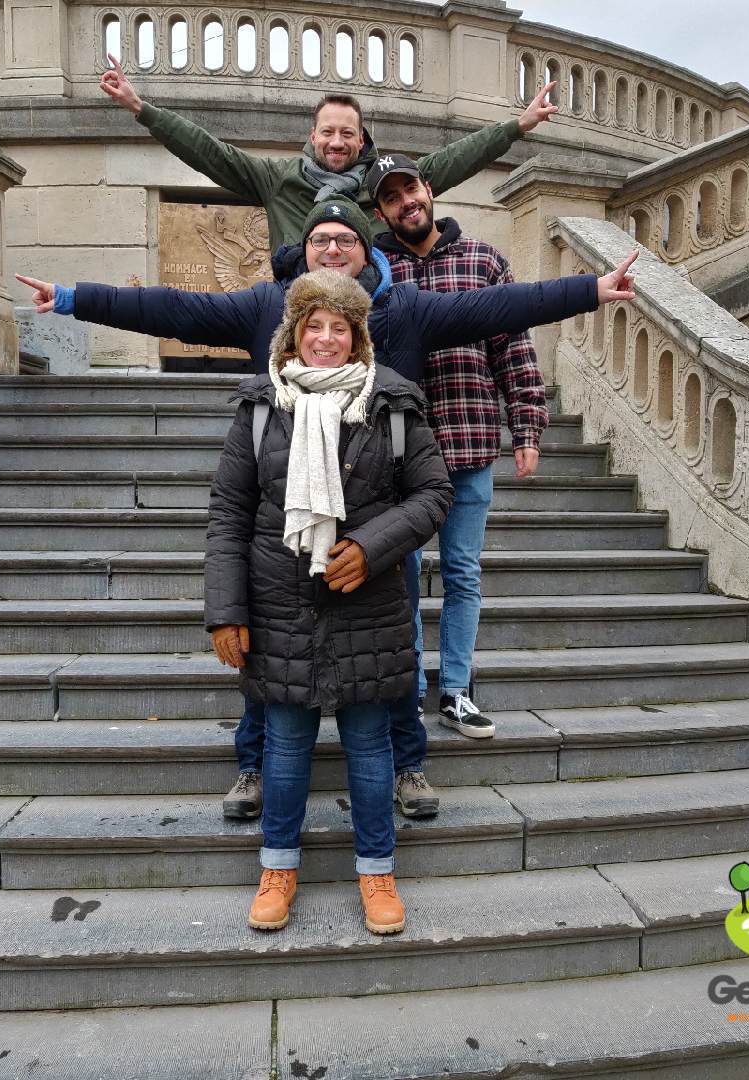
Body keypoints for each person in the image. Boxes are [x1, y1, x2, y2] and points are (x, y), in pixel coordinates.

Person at [17, 202, 639, 820]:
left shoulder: (405, 307)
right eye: (320, 239)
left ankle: (407, 766)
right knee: (271, 655)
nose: (333, 248)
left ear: (367, 253)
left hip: (378, 529)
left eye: (346, 239)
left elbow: (497, 307)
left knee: (394, 654)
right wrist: (73, 298)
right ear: (303, 251)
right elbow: (173, 308)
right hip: (284, 526)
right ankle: (254, 767)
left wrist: (589, 290)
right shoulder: (269, 305)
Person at [207, 267, 453, 934]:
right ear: (291, 336)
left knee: (370, 747)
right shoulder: (261, 407)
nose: (324, 338)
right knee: (285, 747)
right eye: (312, 326)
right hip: (278, 601)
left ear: (357, 337)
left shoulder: (392, 404)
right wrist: (226, 610)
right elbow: (228, 512)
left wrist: (372, 547)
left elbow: (434, 494)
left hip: (367, 601)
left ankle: (377, 872)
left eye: (338, 327)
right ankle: (277, 868)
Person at [370, 152, 548, 751]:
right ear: (381, 212)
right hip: (397, 452)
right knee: (400, 576)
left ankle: (455, 689)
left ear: (428, 190)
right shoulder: (376, 270)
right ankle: (408, 691)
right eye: (392, 198)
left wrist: (527, 427)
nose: (406, 203)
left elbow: (513, 349)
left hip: (470, 439)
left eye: (411, 189)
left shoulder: (483, 261)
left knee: (463, 573)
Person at [98, 56, 559, 254]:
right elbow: (210, 153)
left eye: (347, 134)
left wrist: (516, 126)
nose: (337, 142)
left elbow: (457, 158)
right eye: (328, 133)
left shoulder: (387, 183)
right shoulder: (279, 179)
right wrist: (143, 110)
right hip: (301, 325)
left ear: (361, 140)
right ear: (313, 136)